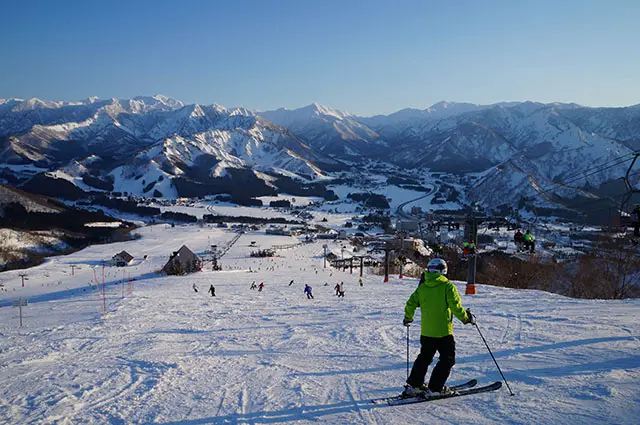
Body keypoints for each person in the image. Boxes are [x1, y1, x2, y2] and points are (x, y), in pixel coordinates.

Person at [402, 258, 474, 396]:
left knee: (424, 357)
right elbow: (456, 307)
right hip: (443, 332)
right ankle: (435, 388)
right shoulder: (447, 286)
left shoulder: (423, 287)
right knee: (447, 359)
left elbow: (411, 303)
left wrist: (408, 317)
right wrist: (466, 318)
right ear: (443, 270)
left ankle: (414, 385)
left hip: (427, 332)